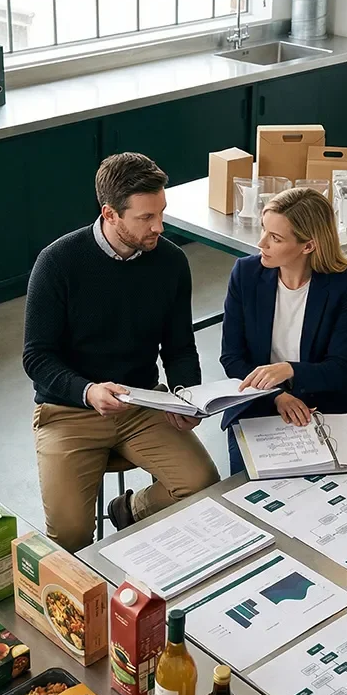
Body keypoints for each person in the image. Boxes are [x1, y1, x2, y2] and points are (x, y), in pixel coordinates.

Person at [23, 152, 220, 552]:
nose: (159, 227)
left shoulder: (171, 263)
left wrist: (185, 397)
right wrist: (88, 391)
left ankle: (132, 508)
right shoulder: (57, 263)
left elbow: (180, 346)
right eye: (145, 218)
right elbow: (37, 358)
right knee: (72, 538)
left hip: (142, 404)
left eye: (160, 213)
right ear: (109, 214)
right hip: (69, 412)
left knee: (202, 486)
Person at [220, 187, 347, 476]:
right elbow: (232, 358)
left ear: (308, 246)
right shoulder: (245, 274)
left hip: (327, 404)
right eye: (264, 230)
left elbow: (340, 368)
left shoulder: (345, 284)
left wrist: (289, 370)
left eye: (275, 238)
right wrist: (276, 395)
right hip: (258, 403)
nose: (262, 243)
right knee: (255, 490)